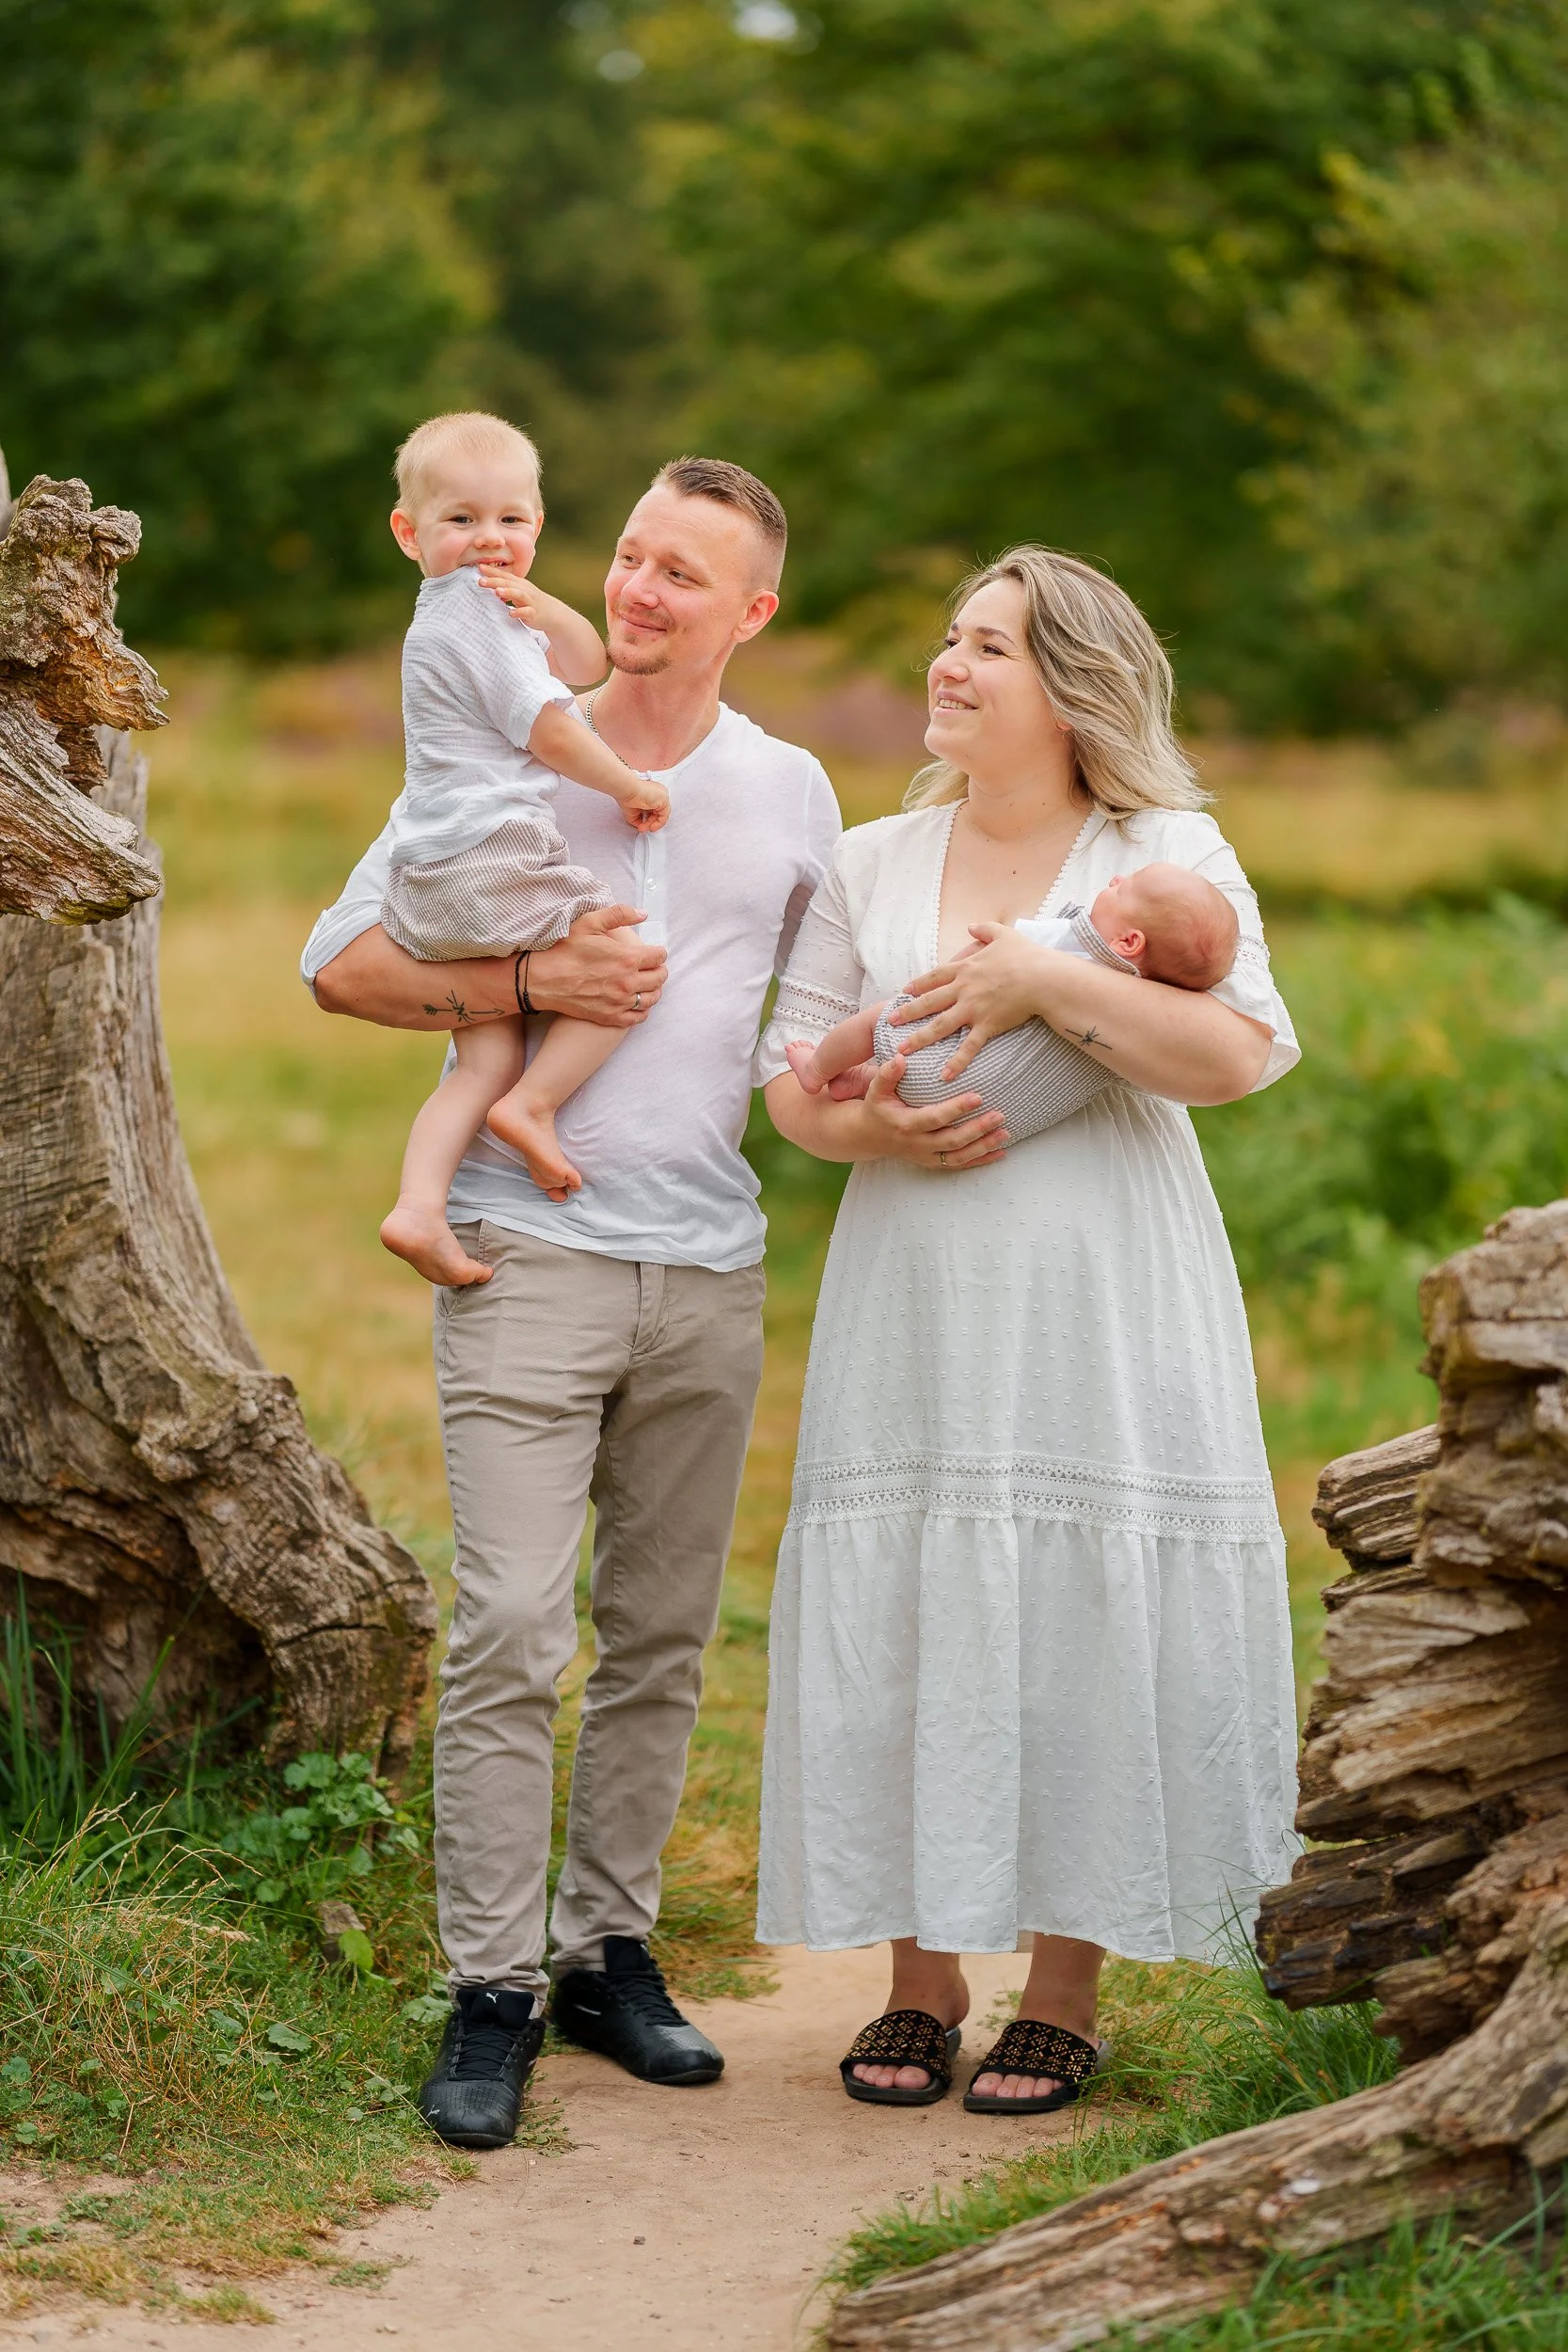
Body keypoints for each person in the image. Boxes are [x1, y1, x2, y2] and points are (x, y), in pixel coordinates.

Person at [301, 458, 841, 2148]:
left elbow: (811, 1024)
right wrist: (533, 978)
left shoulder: (791, 791)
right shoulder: (504, 730)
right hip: (522, 1250)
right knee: (517, 1627)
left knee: (661, 1637)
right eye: (632, 556)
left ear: (752, 612)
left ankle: (606, 1952)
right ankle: (489, 1990)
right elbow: (339, 963)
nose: (640, 590)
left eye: (686, 574)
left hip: (708, 1264)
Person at [755, 545, 1301, 2116]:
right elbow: (793, 1085)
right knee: (916, 1597)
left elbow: (1233, 1055)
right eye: (949, 638)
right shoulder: (871, 859)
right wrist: (872, 1133)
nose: (948, 664)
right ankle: (917, 1983)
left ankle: (1062, 1994)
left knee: (1080, 1613)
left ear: (1069, 688)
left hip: (1099, 1281)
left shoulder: (1163, 848)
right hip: (916, 1279)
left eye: (987, 645)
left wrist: (1040, 989)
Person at [377, 411, 671, 1286]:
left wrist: (541, 606)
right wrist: (626, 784)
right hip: (489, 854)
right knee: (624, 964)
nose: (488, 539)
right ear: (410, 533)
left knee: (484, 1059)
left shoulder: (470, 613)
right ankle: (534, 1110)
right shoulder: (472, 614)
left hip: (431, 878)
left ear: (537, 524)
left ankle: (417, 1206)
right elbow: (551, 724)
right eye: (461, 519)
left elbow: (585, 664)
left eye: (510, 519)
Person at [785, 861, 1237, 1148]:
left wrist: (944, 979)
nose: (1115, 879)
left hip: (938, 1072)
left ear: (1129, 941)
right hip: (982, 1110)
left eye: (1124, 889)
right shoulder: (1142, 1004)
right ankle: (861, 1079)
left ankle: (819, 1069)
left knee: (881, 1021)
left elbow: (987, 955)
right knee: (913, 1065)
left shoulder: (1068, 940)